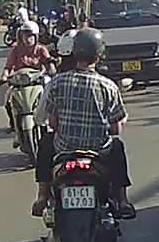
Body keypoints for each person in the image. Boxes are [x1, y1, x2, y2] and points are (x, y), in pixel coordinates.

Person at [33, 29, 136, 220]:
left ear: (74, 52)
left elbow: (53, 123)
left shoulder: (58, 82)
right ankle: (122, 200)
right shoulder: (108, 86)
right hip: (98, 151)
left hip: (64, 149)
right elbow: (116, 129)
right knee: (117, 146)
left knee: (46, 141)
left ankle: (42, 196)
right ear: (99, 55)